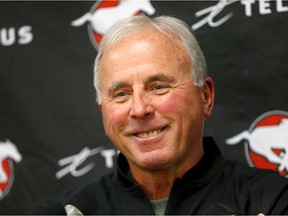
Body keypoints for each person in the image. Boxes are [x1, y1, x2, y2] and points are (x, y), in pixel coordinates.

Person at [33, 15, 288, 215]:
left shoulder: (271, 201)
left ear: (206, 96)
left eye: (158, 87)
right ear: (104, 111)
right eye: (121, 93)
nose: (140, 109)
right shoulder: (66, 211)